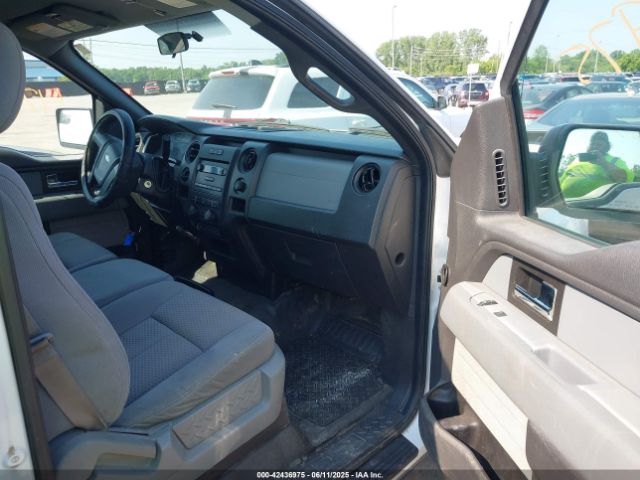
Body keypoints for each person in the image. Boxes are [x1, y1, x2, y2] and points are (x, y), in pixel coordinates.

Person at [559, 131, 634, 198]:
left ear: (607, 147)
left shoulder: (615, 161)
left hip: (595, 205)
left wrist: (604, 163)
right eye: (592, 144)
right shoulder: (577, 160)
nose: (594, 146)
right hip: (564, 203)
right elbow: (561, 180)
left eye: (599, 144)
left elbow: (623, 179)